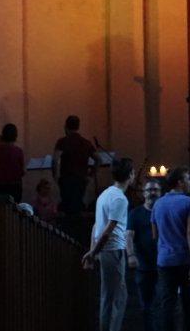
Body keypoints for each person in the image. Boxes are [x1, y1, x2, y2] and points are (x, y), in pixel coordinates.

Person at [83, 157, 136, 331]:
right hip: (113, 250)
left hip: (105, 251)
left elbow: (95, 227)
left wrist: (93, 250)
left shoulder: (104, 195)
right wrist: (92, 252)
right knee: (115, 299)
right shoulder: (120, 199)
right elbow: (108, 230)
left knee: (111, 297)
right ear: (130, 174)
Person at [152, 166, 190, 331]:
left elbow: (155, 234)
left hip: (164, 260)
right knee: (188, 302)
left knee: (167, 303)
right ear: (179, 182)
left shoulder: (158, 204)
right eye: (187, 179)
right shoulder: (189, 202)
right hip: (184, 259)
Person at [128, 178, 163, 331]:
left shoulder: (164, 211)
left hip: (163, 264)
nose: (152, 193)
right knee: (146, 306)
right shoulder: (135, 213)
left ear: (161, 193)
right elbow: (128, 235)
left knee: (163, 304)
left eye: (155, 190)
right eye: (149, 190)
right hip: (143, 265)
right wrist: (130, 255)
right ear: (143, 193)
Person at [55, 115, 98, 227]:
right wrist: (91, 176)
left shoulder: (62, 142)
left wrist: (55, 175)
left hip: (66, 179)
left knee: (68, 208)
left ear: (66, 127)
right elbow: (99, 159)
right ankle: (77, 233)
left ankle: (68, 234)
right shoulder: (85, 143)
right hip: (81, 180)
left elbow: (55, 159)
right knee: (77, 206)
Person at [0, 122, 26, 202]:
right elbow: (22, 171)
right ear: (15, 136)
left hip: (0, 185)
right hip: (15, 185)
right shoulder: (18, 151)